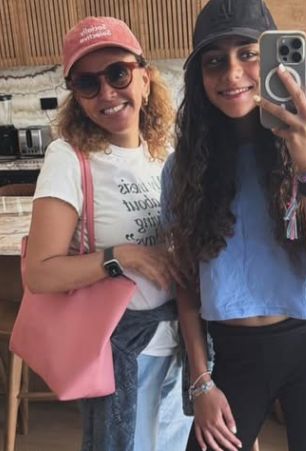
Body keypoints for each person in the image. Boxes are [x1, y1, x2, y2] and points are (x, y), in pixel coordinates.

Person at [161, 1, 306, 450]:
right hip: (231, 354)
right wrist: (200, 381)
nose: (232, 73)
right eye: (215, 61)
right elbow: (186, 283)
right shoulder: (183, 169)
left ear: (276, 61)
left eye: (248, 54)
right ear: (199, 78)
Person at [24, 16, 192, 451]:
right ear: (77, 97)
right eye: (87, 83)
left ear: (145, 80)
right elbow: (40, 273)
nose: (107, 92)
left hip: (181, 345)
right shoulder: (69, 157)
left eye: (118, 74)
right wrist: (123, 256)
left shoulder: (166, 155)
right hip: (121, 350)